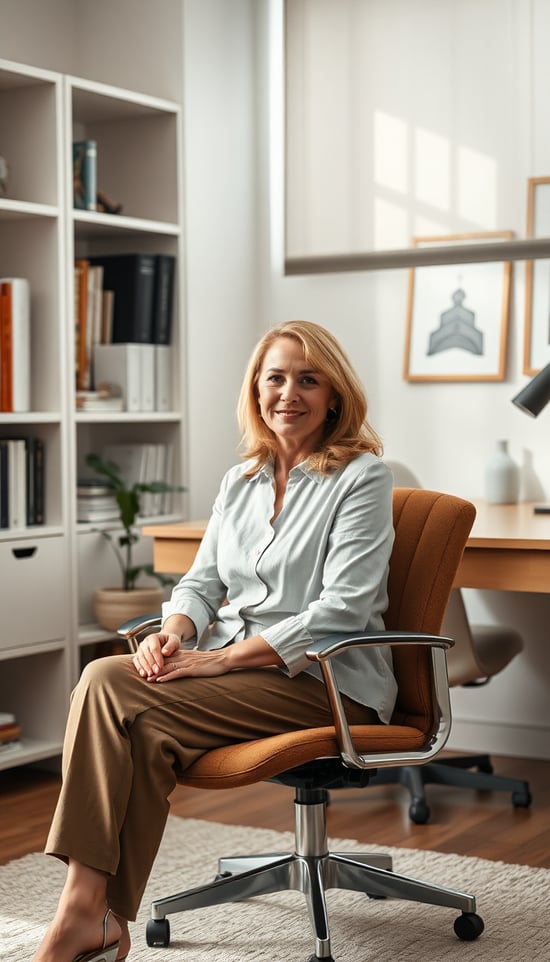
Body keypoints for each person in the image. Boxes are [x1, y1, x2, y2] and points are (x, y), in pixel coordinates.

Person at [33, 319, 397, 962]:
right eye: (275, 378)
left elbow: (340, 611)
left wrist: (220, 659)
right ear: (256, 391)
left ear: (335, 395)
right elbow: (199, 586)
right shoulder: (242, 481)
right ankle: (102, 918)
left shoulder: (361, 477)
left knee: (101, 679)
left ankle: (79, 916)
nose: (290, 393)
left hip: (327, 681)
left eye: (308, 380)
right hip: (241, 674)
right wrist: (170, 637)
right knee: (143, 729)